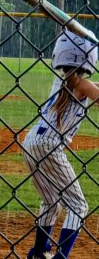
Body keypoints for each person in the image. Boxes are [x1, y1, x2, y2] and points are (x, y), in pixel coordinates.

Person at [22, 29, 99, 259]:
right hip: (50, 145)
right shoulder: (82, 84)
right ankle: (61, 256)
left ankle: (39, 251)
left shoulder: (62, 79)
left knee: (51, 201)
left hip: (30, 142)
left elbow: (93, 85)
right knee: (78, 206)